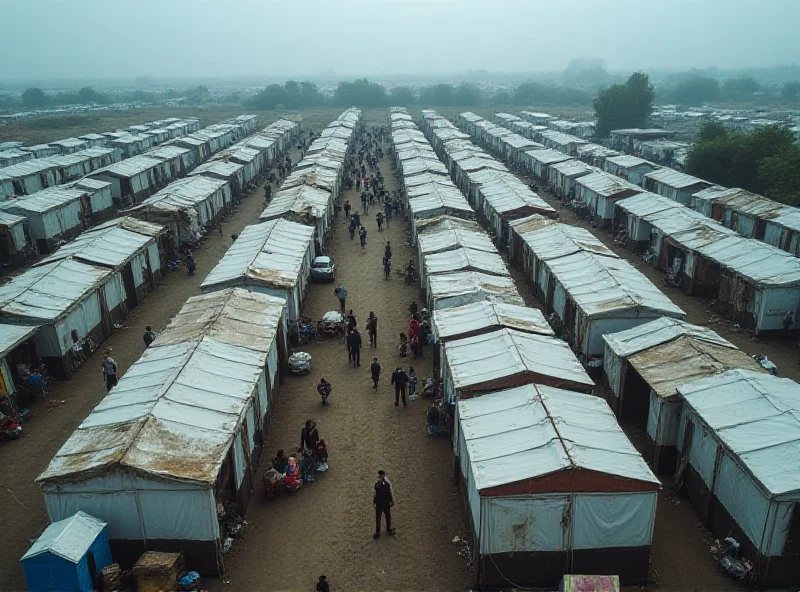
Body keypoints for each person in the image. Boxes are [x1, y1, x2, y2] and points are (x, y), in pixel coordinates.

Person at [373, 470, 395, 539]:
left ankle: (378, 532)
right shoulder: (387, 484)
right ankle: (388, 530)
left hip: (379, 504)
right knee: (387, 517)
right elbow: (389, 494)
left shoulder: (377, 485)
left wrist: (374, 502)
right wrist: (391, 501)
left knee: (378, 518)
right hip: (385, 504)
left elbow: (375, 495)